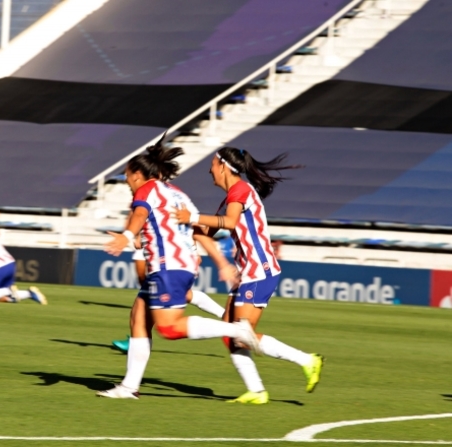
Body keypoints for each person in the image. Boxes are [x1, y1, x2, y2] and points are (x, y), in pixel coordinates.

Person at [97, 135, 256, 400]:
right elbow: (200, 231)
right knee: (139, 316)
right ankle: (128, 386)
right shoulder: (177, 193)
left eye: (127, 175)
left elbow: (138, 216)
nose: (126, 181)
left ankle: (236, 329)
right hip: (181, 264)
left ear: (138, 174)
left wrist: (126, 236)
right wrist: (221, 262)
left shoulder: (146, 189)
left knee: (169, 328)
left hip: (167, 265)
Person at [175, 147, 324, 404]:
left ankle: (308, 360)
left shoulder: (240, 190)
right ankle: (256, 391)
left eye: (212, 163)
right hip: (247, 272)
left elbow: (230, 223)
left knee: (241, 334)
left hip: (259, 270)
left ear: (223, 166)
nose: (209, 168)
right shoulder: (231, 197)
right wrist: (183, 229)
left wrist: (194, 217)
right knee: (230, 334)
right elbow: (205, 232)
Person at [112, 245, 229, 353]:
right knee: (180, 296)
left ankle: (138, 342)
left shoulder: (146, 228)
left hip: (172, 263)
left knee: (154, 315)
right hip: (175, 260)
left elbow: (141, 276)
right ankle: (137, 342)